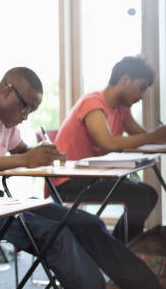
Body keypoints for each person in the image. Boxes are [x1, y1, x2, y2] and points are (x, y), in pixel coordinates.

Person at [0, 67, 166, 289]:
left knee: (88, 224)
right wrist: (25, 160)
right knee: (55, 235)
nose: (25, 117)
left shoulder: (4, 125)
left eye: (31, 111)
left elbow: (24, 151)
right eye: (25, 108)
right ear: (6, 90)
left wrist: (43, 152)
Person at [55, 55, 166, 242]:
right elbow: (107, 142)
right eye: (141, 88)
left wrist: (159, 139)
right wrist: (154, 136)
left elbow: (141, 138)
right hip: (69, 181)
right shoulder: (93, 103)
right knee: (140, 196)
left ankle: (122, 248)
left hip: (93, 177)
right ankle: (122, 251)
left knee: (149, 194)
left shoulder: (122, 109)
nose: (142, 96)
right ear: (124, 80)